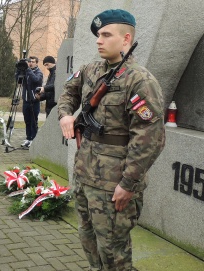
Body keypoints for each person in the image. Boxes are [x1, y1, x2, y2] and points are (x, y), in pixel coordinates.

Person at [57, 9, 165, 270]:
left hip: (113, 182)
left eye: (106, 35)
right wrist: (65, 115)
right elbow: (67, 93)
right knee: (87, 236)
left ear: (126, 39)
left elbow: (150, 140)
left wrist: (128, 184)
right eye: (98, 35)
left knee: (113, 248)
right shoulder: (90, 70)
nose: (99, 40)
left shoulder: (140, 81)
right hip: (84, 174)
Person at [17, 56, 43, 148]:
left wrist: (28, 70)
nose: (30, 63)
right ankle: (28, 138)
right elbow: (18, 81)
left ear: (36, 63)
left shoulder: (38, 72)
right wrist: (19, 70)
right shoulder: (26, 71)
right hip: (26, 100)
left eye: (32, 62)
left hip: (34, 101)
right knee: (27, 120)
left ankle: (34, 139)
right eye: (29, 62)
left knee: (33, 121)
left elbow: (37, 80)